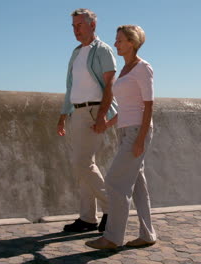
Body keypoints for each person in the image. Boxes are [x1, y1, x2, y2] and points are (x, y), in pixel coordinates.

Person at [86, 25, 157, 249]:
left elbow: (148, 106)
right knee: (137, 185)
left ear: (132, 42)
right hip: (125, 129)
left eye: (119, 40)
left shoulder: (143, 68)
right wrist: (108, 123)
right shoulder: (125, 70)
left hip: (138, 131)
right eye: (116, 40)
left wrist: (140, 139)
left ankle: (113, 237)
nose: (116, 43)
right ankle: (147, 234)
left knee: (115, 182)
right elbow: (127, 107)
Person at [57, 8, 118, 233]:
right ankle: (87, 219)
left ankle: (112, 208)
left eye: (79, 25)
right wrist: (63, 116)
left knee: (82, 163)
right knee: (82, 166)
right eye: (73, 26)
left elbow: (110, 84)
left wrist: (102, 115)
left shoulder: (103, 50)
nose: (75, 30)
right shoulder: (76, 52)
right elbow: (71, 87)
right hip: (77, 113)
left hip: (94, 112)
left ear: (92, 25)